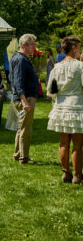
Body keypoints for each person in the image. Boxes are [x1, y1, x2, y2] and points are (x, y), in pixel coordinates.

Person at [47, 36, 83, 184]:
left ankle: (66, 173)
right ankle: (77, 176)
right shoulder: (80, 66)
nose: (81, 49)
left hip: (61, 107)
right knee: (78, 145)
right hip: (76, 107)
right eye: (79, 47)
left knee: (63, 143)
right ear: (74, 48)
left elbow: (50, 90)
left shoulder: (56, 67)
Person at [10, 34, 38, 164]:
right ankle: (24, 157)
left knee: (22, 127)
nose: (34, 47)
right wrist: (24, 101)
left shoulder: (20, 58)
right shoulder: (21, 59)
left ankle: (17, 154)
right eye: (32, 44)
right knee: (26, 128)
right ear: (23, 45)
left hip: (23, 97)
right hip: (25, 98)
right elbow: (18, 81)